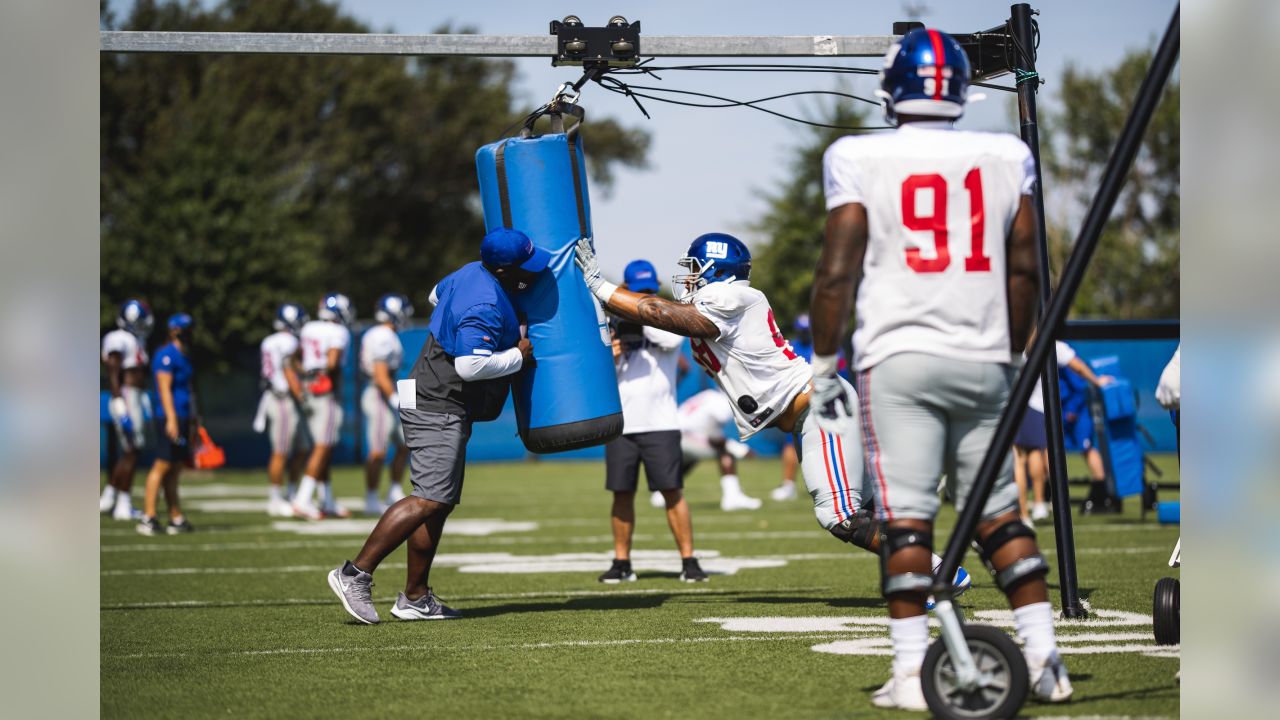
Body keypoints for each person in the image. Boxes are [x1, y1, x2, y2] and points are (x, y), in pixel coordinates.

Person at [808, 28, 1071, 710]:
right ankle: (1045, 661)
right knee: (1001, 516)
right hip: (983, 354)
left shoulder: (856, 155)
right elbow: (1023, 267)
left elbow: (837, 273)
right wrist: (1010, 353)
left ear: (890, 86)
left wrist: (825, 362)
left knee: (907, 523)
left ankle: (908, 672)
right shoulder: (1005, 154)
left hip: (898, 357)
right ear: (958, 85)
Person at [576, 234, 971, 596]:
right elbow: (659, 317)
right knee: (866, 510)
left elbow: (663, 314)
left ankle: (934, 573)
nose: (689, 278)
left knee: (840, 514)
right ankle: (944, 553)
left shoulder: (730, 298)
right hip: (808, 412)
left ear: (716, 270)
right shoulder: (720, 302)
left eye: (694, 269)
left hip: (817, 405)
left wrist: (603, 288)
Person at [328, 228, 543, 624]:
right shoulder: (484, 302)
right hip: (438, 400)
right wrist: (516, 353)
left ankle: (415, 596)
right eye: (522, 268)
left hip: (435, 395)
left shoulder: (468, 273)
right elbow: (470, 365)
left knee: (437, 505)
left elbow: (434, 294)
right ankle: (354, 574)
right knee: (429, 499)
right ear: (501, 268)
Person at [600, 259, 709, 584]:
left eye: (650, 291)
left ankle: (689, 561)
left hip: (661, 422)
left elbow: (671, 340)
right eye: (639, 292)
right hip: (621, 424)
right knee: (621, 493)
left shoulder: (666, 324)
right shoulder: (612, 326)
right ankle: (622, 563)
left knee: (672, 491)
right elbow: (599, 373)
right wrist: (611, 354)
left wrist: (634, 315)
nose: (646, 297)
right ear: (628, 291)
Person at [1014, 339, 1114, 524]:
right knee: (1035, 456)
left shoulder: (1019, 341)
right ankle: (1043, 504)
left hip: (1024, 405)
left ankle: (1033, 507)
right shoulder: (1051, 345)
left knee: (1028, 456)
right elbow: (1078, 366)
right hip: (1037, 405)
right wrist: (1096, 381)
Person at [292, 293, 354, 520]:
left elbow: (295, 358)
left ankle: (326, 499)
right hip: (325, 389)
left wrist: (306, 375)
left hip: (308, 386)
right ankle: (303, 498)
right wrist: (326, 378)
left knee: (321, 446)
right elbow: (332, 362)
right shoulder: (338, 332)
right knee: (323, 445)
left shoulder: (308, 328)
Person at [136, 313, 198, 536]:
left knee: (174, 468)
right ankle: (149, 516)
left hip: (182, 415)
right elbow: (164, 389)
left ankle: (175, 516)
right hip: (168, 416)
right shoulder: (166, 355)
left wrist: (193, 419)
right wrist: (171, 418)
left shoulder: (185, 355)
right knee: (162, 465)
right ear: (174, 330)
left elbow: (188, 390)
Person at [659, 388, 760, 512]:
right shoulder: (722, 404)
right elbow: (715, 439)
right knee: (726, 452)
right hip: (685, 437)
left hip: (671, 435)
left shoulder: (709, 395)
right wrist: (740, 449)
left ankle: (662, 493)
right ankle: (732, 497)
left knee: (692, 457)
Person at [254, 302, 311, 518]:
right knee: (281, 451)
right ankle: (275, 498)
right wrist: (302, 394)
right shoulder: (289, 342)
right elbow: (289, 369)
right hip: (282, 398)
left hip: (278, 397)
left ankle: (291, 492)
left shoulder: (269, 340)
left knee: (302, 447)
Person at [360, 293, 414, 515]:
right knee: (378, 451)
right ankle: (371, 497)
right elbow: (381, 374)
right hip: (380, 394)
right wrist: (395, 399)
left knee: (405, 443)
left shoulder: (384, 334)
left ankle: (393, 490)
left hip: (385, 391)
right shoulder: (382, 336)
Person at [101, 299, 153, 521]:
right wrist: (119, 400)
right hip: (127, 396)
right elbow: (113, 370)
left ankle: (112, 496)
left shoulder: (135, 339)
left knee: (132, 450)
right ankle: (120, 500)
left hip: (135, 396)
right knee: (132, 449)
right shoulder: (117, 338)